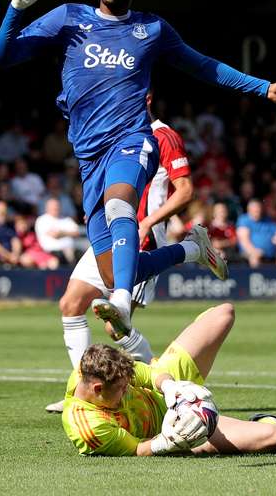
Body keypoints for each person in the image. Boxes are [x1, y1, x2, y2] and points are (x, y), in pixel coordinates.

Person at [0, 0, 276, 341]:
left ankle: (122, 301)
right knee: (116, 270)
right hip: (89, 157)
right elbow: (2, 57)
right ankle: (190, 250)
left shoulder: (151, 29)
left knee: (120, 203)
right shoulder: (69, 17)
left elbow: (204, 65)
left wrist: (264, 88)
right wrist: (18, 5)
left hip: (131, 139)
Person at [45, 93, 203, 413]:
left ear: (145, 98)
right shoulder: (111, 132)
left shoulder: (164, 135)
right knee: (71, 303)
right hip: (109, 233)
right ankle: (83, 388)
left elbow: (185, 190)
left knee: (115, 327)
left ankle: (160, 391)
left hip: (142, 237)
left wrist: (147, 221)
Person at [62, 304, 276, 456]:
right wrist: (170, 441)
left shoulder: (97, 370)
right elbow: (138, 449)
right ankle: (266, 420)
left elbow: (149, 374)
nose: (127, 389)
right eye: (121, 389)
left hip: (171, 394)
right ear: (97, 389)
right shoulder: (89, 427)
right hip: (176, 428)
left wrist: (171, 388)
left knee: (223, 313)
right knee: (274, 436)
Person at [236, 199, 276, 268]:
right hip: (250, 252)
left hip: (271, 253)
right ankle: (256, 278)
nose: (257, 210)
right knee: (254, 258)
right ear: (249, 209)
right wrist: (254, 251)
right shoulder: (244, 220)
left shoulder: (268, 221)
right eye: (254, 208)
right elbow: (244, 241)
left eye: (258, 207)